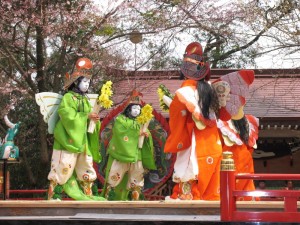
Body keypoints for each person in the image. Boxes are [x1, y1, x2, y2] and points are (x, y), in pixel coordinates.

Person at [164, 42, 222, 200]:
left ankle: (188, 193)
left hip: (194, 138)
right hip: (213, 140)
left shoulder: (184, 92)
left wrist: (172, 108)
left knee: (190, 165)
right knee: (211, 174)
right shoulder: (210, 89)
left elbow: (179, 115)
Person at [47, 58, 105, 201]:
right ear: (75, 83)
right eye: (84, 81)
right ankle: (54, 195)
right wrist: (86, 116)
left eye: (88, 82)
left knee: (86, 166)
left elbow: (87, 118)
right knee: (63, 165)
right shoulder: (68, 97)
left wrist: (94, 121)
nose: (87, 84)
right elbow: (67, 115)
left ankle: (88, 193)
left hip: (82, 139)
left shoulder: (85, 100)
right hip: (68, 138)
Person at [102, 91, 156, 201]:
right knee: (114, 176)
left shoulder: (141, 121)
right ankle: (110, 197)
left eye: (138, 109)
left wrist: (146, 135)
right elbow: (120, 132)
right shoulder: (121, 120)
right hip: (121, 154)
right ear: (128, 109)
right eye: (134, 108)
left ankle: (135, 198)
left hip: (137, 155)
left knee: (137, 178)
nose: (137, 111)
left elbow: (146, 134)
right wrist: (136, 134)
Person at [218, 114, 259, 200]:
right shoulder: (246, 124)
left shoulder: (222, 123)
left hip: (228, 161)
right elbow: (250, 147)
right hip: (245, 161)